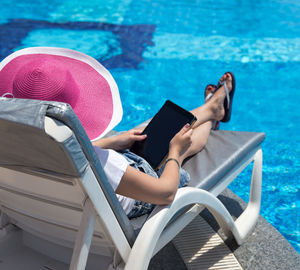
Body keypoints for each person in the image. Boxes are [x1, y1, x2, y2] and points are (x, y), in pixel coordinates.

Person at [0, 47, 235, 219]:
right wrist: (176, 153)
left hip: (56, 213)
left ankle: (209, 108)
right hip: (137, 194)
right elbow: (165, 193)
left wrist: (112, 141)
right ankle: (213, 112)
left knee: (139, 133)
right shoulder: (99, 164)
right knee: (179, 140)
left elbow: (75, 147)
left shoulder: (11, 147)